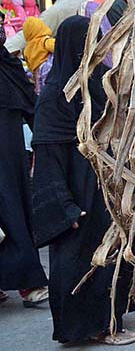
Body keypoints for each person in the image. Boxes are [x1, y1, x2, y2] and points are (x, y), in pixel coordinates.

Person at [31, 16, 135, 345]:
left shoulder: (101, 83)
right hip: (77, 194)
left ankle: (107, 320)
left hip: (104, 189)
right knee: (79, 259)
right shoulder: (56, 96)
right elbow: (48, 157)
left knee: (110, 252)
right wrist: (64, 207)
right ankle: (90, 327)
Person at [0, 37, 49, 307]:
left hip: (10, 159)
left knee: (13, 211)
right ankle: (28, 283)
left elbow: (31, 104)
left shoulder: (8, 65)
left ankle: (28, 282)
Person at [22, 17, 56, 93]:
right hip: (48, 69)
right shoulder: (44, 41)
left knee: (41, 91)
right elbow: (58, 48)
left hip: (37, 72)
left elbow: (29, 64)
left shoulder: (27, 49)